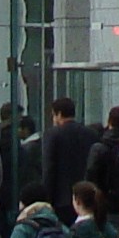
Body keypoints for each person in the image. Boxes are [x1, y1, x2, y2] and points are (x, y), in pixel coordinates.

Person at [42, 97, 99, 226]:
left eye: (54, 115)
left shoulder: (53, 134)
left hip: (61, 199)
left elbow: (49, 168)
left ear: (59, 114)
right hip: (87, 196)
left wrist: (47, 198)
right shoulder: (91, 134)